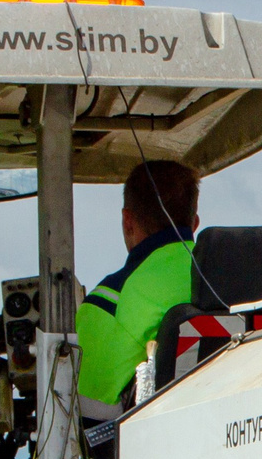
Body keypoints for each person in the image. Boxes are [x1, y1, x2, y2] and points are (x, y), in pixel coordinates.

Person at [77, 159, 200, 426]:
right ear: (195, 223)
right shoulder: (230, 280)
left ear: (127, 221)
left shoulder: (108, 302)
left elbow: (87, 424)